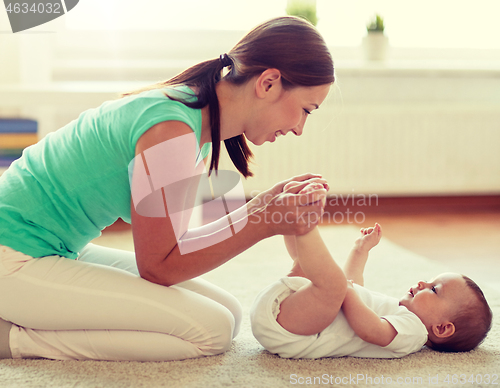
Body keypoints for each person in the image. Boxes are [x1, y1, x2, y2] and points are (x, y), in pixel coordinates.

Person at [0, 16, 334, 361]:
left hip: (54, 247)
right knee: (211, 331)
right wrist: (265, 224)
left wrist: (262, 207)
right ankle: (14, 340)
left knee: (228, 312)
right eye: (306, 110)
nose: (299, 129)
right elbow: (159, 266)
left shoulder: (193, 117)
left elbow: (174, 247)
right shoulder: (172, 129)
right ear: (268, 83)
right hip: (13, 256)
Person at [250, 182, 493, 359]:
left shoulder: (414, 332)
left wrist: (343, 287)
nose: (422, 283)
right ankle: (288, 213)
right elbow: (353, 288)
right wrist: (360, 251)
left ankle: (300, 222)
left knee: (331, 282)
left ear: (441, 328)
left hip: (295, 331)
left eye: (434, 289)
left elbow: (369, 329)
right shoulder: (399, 313)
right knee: (314, 272)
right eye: (429, 281)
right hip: (291, 310)